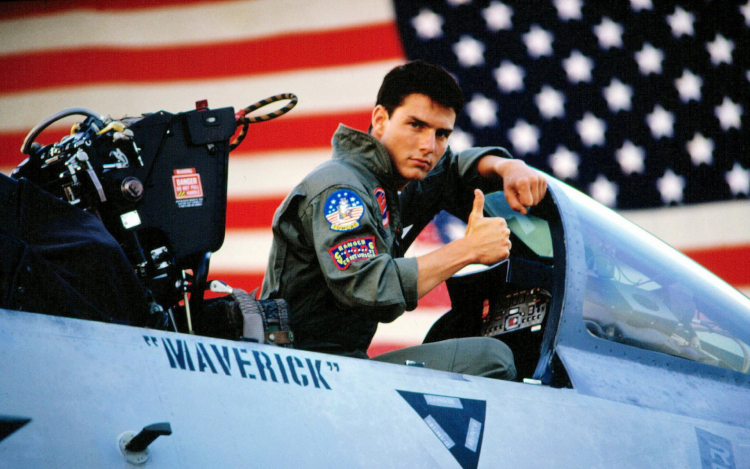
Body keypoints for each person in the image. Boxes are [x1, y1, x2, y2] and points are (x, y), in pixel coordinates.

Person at [261, 60, 546, 380]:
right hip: (303, 370)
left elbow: (453, 169)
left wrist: (507, 167)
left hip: (336, 367)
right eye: (416, 125)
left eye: (441, 134)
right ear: (380, 119)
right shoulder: (342, 191)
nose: (428, 146)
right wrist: (468, 250)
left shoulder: (391, 182)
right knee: (491, 358)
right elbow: (370, 289)